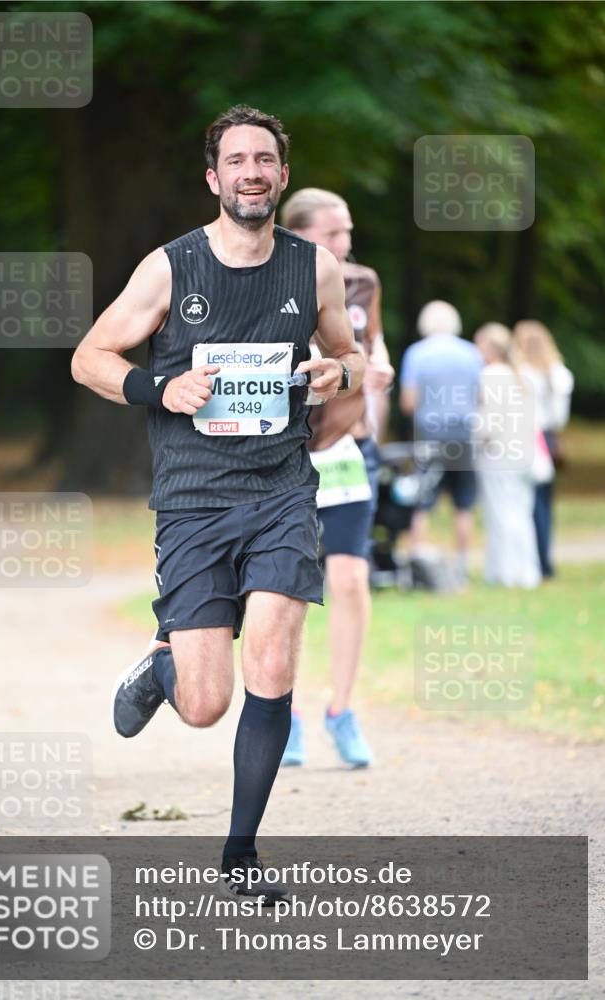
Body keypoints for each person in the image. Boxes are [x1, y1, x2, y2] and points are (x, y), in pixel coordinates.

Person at [70, 106, 364, 903]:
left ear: (281, 174)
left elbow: (350, 353)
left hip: (279, 489)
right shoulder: (170, 268)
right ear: (214, 178)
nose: (251, 172)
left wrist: (346, 371)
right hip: (195, 498)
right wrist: (160, 386)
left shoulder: (313, 269)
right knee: (206, 705)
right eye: (236, 160)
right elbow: (89, 356)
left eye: (264, 159)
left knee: (271, 658)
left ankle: (240, 854)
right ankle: (167, 664)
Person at [278, 188, 393, 768]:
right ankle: (285, 715)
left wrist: (382, 366)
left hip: (349, 450)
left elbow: (373, 344)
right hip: (285, 454)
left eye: (347, 232)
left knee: (348, 580)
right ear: (298, 235)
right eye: (331, 235)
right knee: (287, 591)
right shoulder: (268, 276)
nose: (344, 245)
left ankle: (341, 711)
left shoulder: (363, 283)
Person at [399, 300, 483, 587]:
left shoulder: (417, 354)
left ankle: (418, 567)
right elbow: (481, 397)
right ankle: (461, 569)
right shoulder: (472, 353)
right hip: (463, 435)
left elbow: (409, 402)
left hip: (430, 436)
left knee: (422, 502)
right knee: (464, 504)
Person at [473, 323, 541, 589]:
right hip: (523, 453)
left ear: (490, 347)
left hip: (498, 455)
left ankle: (507, 572)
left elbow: (488, 421)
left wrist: (475, 441)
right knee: (521, 512)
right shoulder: (522, 376)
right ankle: (525, 571)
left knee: (501, 514)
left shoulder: (491, 376)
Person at [513, 320, 574, 578]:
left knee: (526, 503)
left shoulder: (520, 373)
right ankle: (544, 559)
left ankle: (532, 560)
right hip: (548, 438)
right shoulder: (559, 373)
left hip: (526, 437)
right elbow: (560, 418)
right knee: (544, 503)